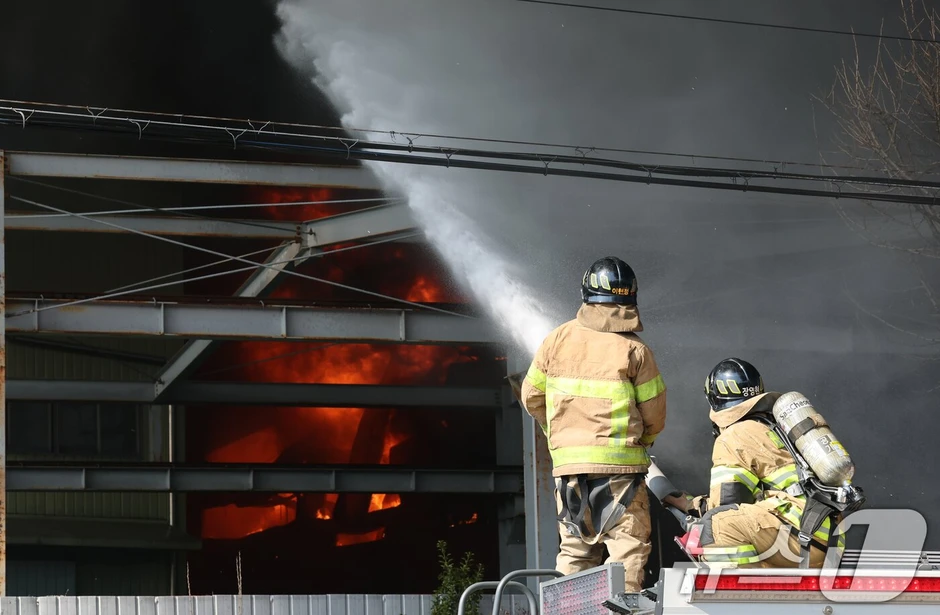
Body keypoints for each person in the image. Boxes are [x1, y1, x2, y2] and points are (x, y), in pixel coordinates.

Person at [519, 256, 667, 592]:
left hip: (569, 473)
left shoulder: (556, 339)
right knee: (626, 550)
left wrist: (560, 435)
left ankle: (562, 609)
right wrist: (643, 442)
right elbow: (655, 415)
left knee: (575, 551)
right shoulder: (635, 349)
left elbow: (531, 397)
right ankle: (623, 612)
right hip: (620, 476)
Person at [669, 358, 842, 568]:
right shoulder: (774, 427)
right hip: (826, 540)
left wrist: (693, 510)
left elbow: (727, 503)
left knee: (717, 525)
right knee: (741, 527)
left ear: (714, 399)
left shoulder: (734, 435)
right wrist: (692, 504)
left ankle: (740, 586)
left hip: (800, 537)